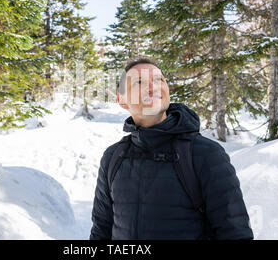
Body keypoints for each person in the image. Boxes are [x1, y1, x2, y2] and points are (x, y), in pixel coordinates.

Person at [89, 58, 254, 240]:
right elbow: (101, 230)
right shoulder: (113, 157)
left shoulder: (205, 154)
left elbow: (235, 234)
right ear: (122, 100)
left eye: (159, 80)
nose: (153, 87)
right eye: (140, 82)